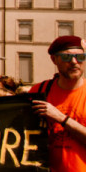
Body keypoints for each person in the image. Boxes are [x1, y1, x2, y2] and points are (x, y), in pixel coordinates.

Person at [31, 35, 86, 171]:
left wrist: (61, 118)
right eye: (66, 57)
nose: (74, 62)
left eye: (80, 57)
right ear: (54, 59)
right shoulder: (39, 91)